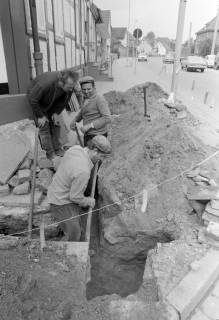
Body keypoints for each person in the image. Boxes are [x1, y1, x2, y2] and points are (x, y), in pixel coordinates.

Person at [47, 135, 112, 241]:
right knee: (75, 233)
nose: (102, 160)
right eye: (102, 157)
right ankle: (73, 251)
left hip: (57, 187)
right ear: (95, 150)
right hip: (60, 202)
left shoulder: (76, 149)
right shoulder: (83, 171)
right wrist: (88, 201)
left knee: (80, 211)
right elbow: (75, 197)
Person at [27, 69, 82, 159]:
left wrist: (56, 113)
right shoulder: (45, 84)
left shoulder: (70, 86)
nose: (71, 89)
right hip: (38, 102)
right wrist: (40, 116)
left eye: (72, 87)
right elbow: (33, 99)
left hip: (52, 101)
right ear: (61, 82)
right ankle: (49, 154)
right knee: (44, 126)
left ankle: (57, 149)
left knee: (56, 124)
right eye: (70, 87)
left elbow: (65, 101)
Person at [70, 76, 111, 146]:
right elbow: (83, 111)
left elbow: (107, 118)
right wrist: (75, 119)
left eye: (89, 89)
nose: (86, 92)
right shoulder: (85, 98)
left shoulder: (99, 99)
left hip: (98, 136)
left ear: (94, 87)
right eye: (84, 89)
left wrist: (89, 126)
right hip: (88, 134)